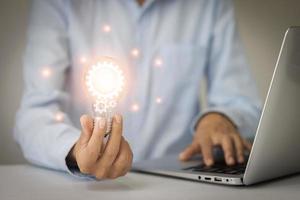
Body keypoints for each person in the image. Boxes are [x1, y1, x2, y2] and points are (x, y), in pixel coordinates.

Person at [14, 0, 261, 180]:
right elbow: (34, 116)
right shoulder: (58, 4)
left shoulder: (210, 5)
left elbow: (245, 105)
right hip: (85, 189)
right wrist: (75, 152)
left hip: (179, 183)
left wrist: (220, 118)